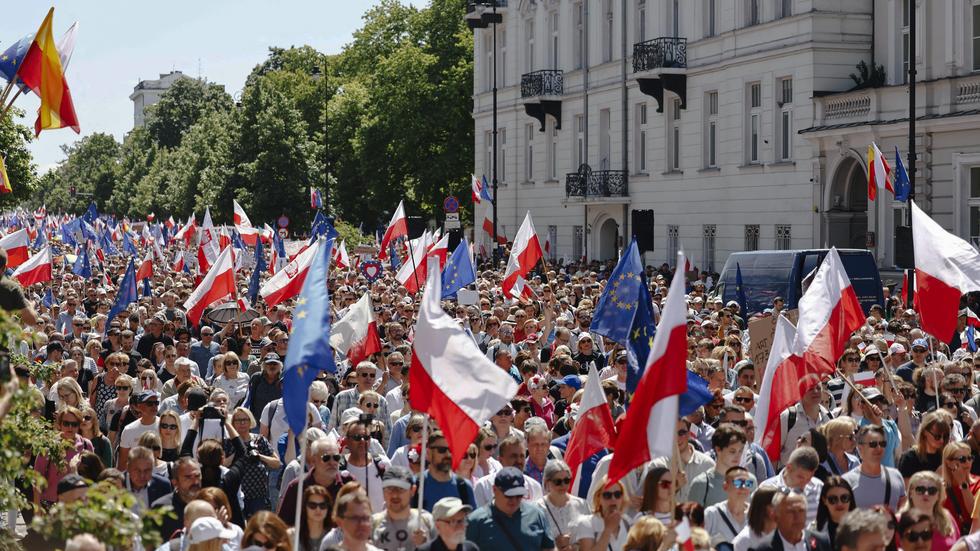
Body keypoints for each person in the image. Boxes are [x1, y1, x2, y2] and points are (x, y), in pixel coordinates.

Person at [465, 467, 555, 550]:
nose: (514, 500)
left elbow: (548, 548)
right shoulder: (476, 521)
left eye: (519, 495)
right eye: (509, 495)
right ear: (495, 490)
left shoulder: (537, 514)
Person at [843, 424, 906, 510]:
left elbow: (903, 508)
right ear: (860, 448)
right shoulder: (847, 481)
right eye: (873, 444)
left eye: (882, 444)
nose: (879, 448)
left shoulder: (896, 476)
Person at [372, 466, 435, 551]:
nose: (394, 495)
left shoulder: (426, 521)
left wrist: (426, 546)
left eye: (401, 489)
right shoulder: (372, 525)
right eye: (389, 489)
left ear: (412, 490)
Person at [534, 459, 589, 551]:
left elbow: (592, 539)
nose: (563, 485)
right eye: (558, 481)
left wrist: (574, 548)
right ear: (547, 482)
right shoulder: (537, 509)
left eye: (566, 480)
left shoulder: (582, 505)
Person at [760, 447, 823, 525]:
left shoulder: (819, 487)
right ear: (789, 468)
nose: (804, 484)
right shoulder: (766, 488)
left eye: (809, 479)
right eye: (800, 477)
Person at [690, 424, 747, 507]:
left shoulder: (750, 481)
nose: (737, 456)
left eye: (740, 451)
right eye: (732, 451)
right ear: (718, 449)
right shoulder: (700, 484)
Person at [752, 491, 832, 551]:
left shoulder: (821, 541)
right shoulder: (763, 549)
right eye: (790, 511)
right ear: (775, 516)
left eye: (801, 510)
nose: (797, 517)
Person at [417, 431, 476, 512]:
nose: (448, 455)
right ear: (428, 453)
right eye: (442, 450)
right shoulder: (416, 485)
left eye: (451, 450)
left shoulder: (464, 487)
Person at [571, 474, 633, 551]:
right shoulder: (586, 523)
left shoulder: (627, 522)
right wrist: (608, 530)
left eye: (617, 494)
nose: (613, 499)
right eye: (607, 495)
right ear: (598, 498)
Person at [900, 471, 959, 550]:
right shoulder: (899, 520)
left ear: (938, 495)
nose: (926, 494)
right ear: (910, 493)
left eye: (932, 490)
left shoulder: (947, 517)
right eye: (920, 489)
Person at [152, 457, 203, 541]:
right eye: (188, 477)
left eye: (197, 476)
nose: (195, 482)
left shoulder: (210, 503)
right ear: (175, 482)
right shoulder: (161, 508)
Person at [704, 466, 754, 549]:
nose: (743, 487)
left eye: (748, 483)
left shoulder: (757, 516)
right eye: (738, 483)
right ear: (725, 486)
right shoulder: (711, 514)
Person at [899, 411, 952, 481]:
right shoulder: (910, 458)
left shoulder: (946, 457)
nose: (942, 440)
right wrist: (936, 476)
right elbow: (907, 489)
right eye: (937, 436)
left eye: (945, 436)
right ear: (925, 432)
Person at [811, 476, 856, 549]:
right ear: (824, 500)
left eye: (844, 498)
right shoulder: (814, 531)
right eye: (833, 499)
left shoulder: (863, 529)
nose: (839, 503)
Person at [124, 445, 172, 511]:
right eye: (137, 470)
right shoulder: (115, 484)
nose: (142, 475)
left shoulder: (163, 486)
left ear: (153, 469)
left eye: (147, 470)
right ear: (128, 468)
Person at [292, 485, 332, 551]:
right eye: (312, 505)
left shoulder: (335, 537)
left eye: (323, 505)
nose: (318, 509)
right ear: (304, 507)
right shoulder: (292, 536)